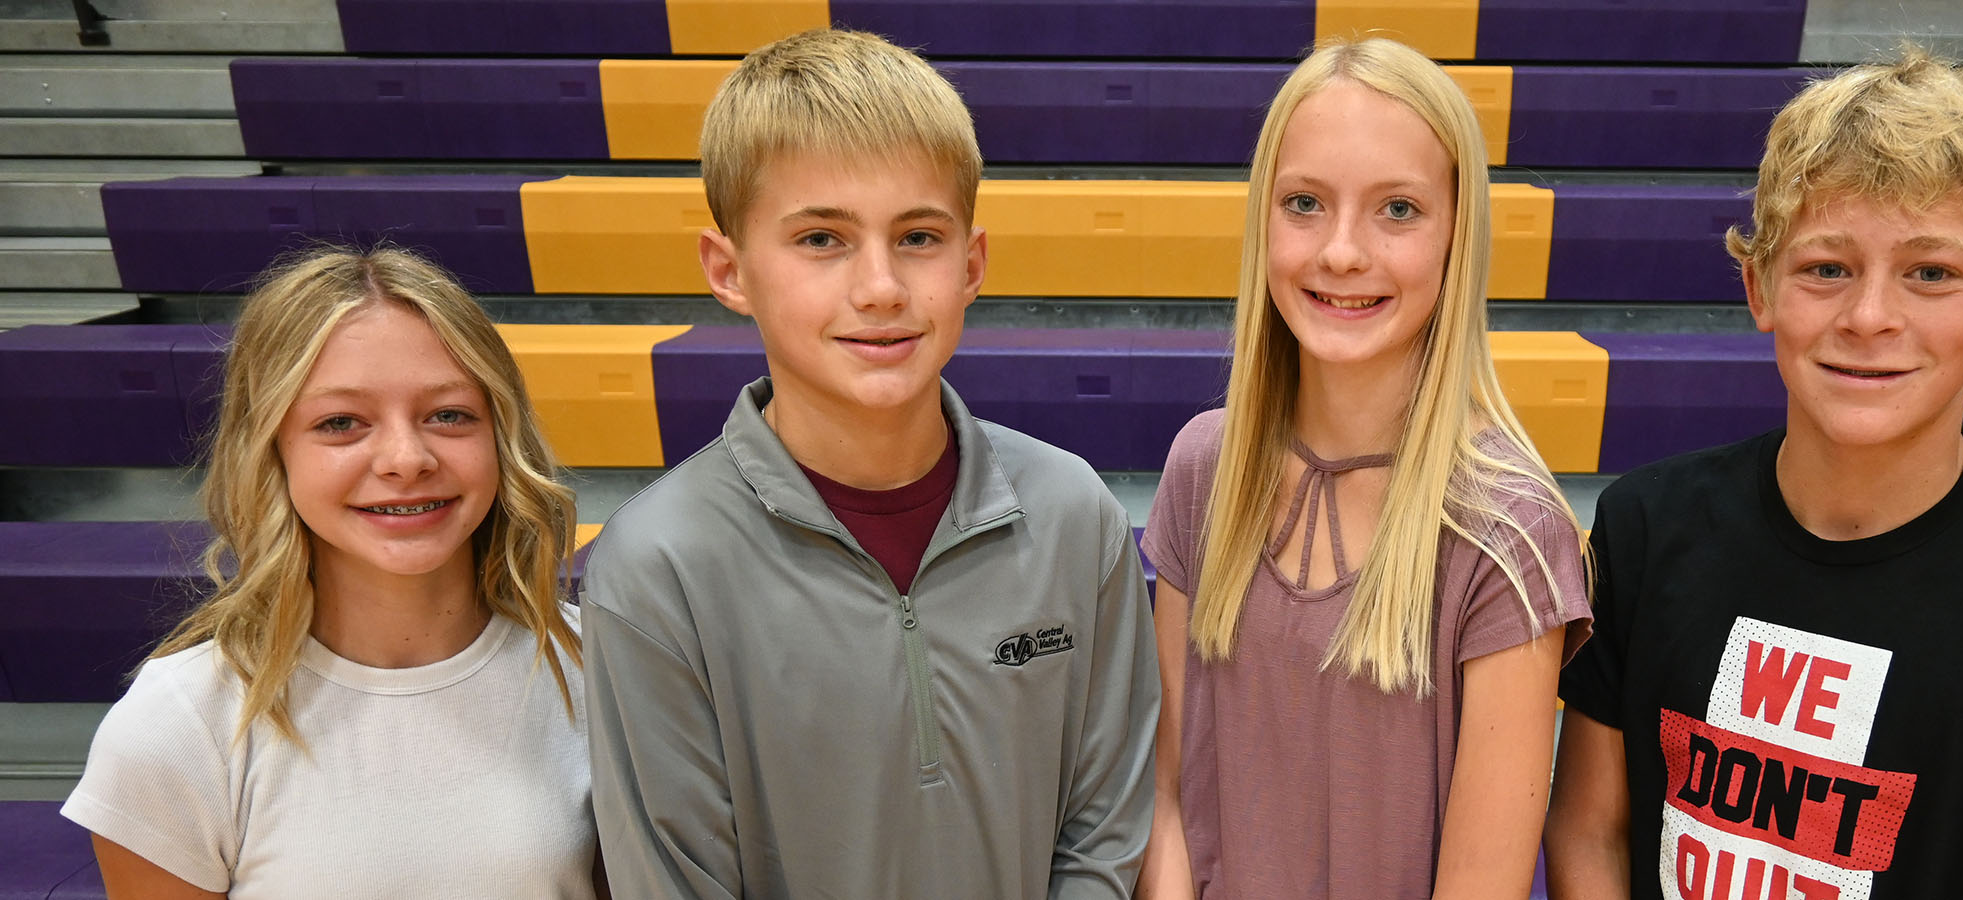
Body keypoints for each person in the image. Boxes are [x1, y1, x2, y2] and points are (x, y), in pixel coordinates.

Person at [1543, 47, 1963, 900]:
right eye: (1827, 268)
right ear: (1758, 286)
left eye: (1931, 273)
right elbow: (1593, 833)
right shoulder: (1648, 525)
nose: (1870, 317)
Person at [578, 27, 1159, 899]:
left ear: (974, 263)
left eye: (919, 237)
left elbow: (1105, 830)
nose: (881, 286)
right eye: (822, 240)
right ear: (728, 270)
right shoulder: (658, 569)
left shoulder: (1075, 514)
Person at [1137, 36, 1592, 900]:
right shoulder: (1204, 465)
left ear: (1458, 234)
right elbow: (1166, 797)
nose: (1342, 252)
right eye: (1304, 202)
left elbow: (1482, 886)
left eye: (1398, 210)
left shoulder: (1508, 528)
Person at [63, 245, 596, 899]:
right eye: (341, 423)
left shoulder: (604, 671)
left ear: (502, 436)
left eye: (448, 414)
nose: (406, 458)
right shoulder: (180, 722)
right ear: (269, 452)